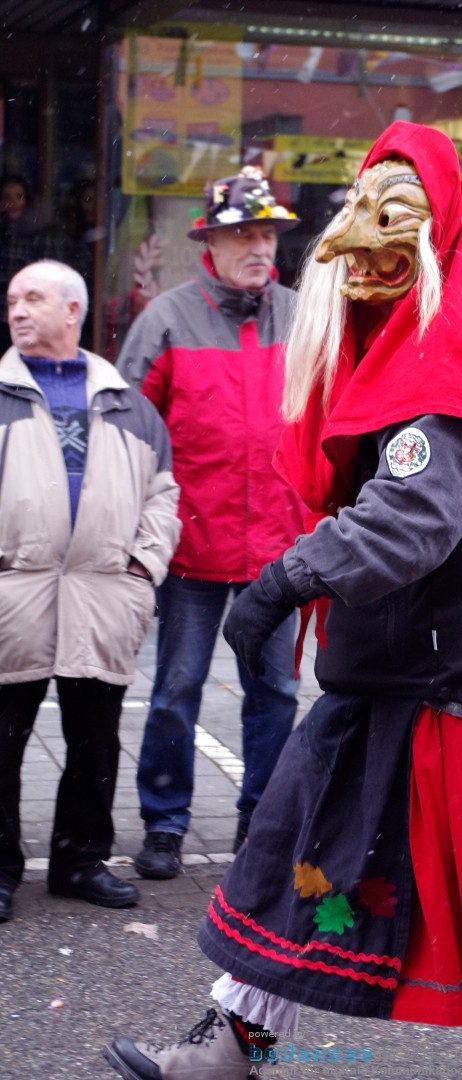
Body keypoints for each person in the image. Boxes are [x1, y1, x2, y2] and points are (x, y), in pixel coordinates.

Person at [104, 123, 462, 1080]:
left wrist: (286, 577)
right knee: (298, 859)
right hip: (396, 674)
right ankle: (230, 1045)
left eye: (393, 219)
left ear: (436, 232)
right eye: (353, 218)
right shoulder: (413, 354)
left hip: (450, 692)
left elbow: (412, 519)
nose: (352, 249)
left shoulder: (446, 368)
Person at [117, 168, 305, 880]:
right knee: (174, 691)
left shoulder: (302, 315)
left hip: (281, 550)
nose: (260, 247)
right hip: (192, 545)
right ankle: (164, 822)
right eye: (245, 234)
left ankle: (263, 820)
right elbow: (130, 433)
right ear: (213, 242)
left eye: (267, 234)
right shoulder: (165, 319)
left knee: (277, 694)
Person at [0, 260, 180, 925]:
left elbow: (163, 495)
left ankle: (80, 861)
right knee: (2, 740)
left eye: (34, 299)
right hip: (12, 593)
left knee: (96, 738)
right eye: (13, 300)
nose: (18, 311)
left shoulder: (129, 404)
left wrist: (142, 569)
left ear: (73, 311)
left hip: (104, 595)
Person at [0, 174, 45, 352]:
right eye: (6, 197)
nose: (12, 202)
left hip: (25, 307)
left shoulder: (36, 231)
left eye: (18, 196)